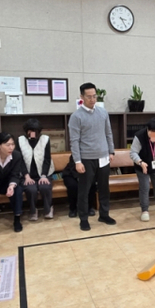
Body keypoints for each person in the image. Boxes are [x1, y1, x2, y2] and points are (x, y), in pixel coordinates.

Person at [68, 82, 116, 231]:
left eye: (94, 96)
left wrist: (111, 151)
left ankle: (104, 214)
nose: (92, 99)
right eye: (89, 97)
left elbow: (108, 133)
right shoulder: (76, 117)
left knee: (104, 188)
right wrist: (77, 161)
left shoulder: (103, 113)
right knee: (84, 190)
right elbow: (74, 141)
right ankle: (83, 219)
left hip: (103, 157)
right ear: (81, 97)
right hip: (86, 159)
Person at [17, 118, 55, 220]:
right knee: (31, 189)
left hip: (44, 173)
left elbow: (47, 159)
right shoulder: (20, 140)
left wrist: (44, 175)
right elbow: (20, 161)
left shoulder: (45, 139)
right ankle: (33, 211)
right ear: (26, 131)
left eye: (35, 131)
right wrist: (26, 176)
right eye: (30, 131)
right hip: (27, 175)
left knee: (45, 187)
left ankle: (48, 209)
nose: (33, 133)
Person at [62, 154, 98, 219]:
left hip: (87, 174)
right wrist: (79, 178)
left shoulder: (92, 154)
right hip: (71, 174)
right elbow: (72, 167)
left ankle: (89, 207)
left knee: (92, 184)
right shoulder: (75, 154)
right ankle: (73, 209)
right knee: (73, 186)